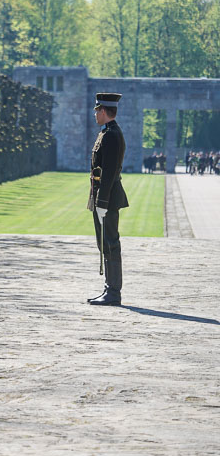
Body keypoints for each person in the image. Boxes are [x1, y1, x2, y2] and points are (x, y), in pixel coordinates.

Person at [88, 92, 127, 307]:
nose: (95, 114)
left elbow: (109, 172)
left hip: (108, 199)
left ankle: (113, 292)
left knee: (110, 243)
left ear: (103, 111)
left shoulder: (112, 135)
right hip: (103, 197)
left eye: (97, 110)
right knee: (105, 243)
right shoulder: (107, 133)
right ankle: (108, 288)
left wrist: (101, 203)